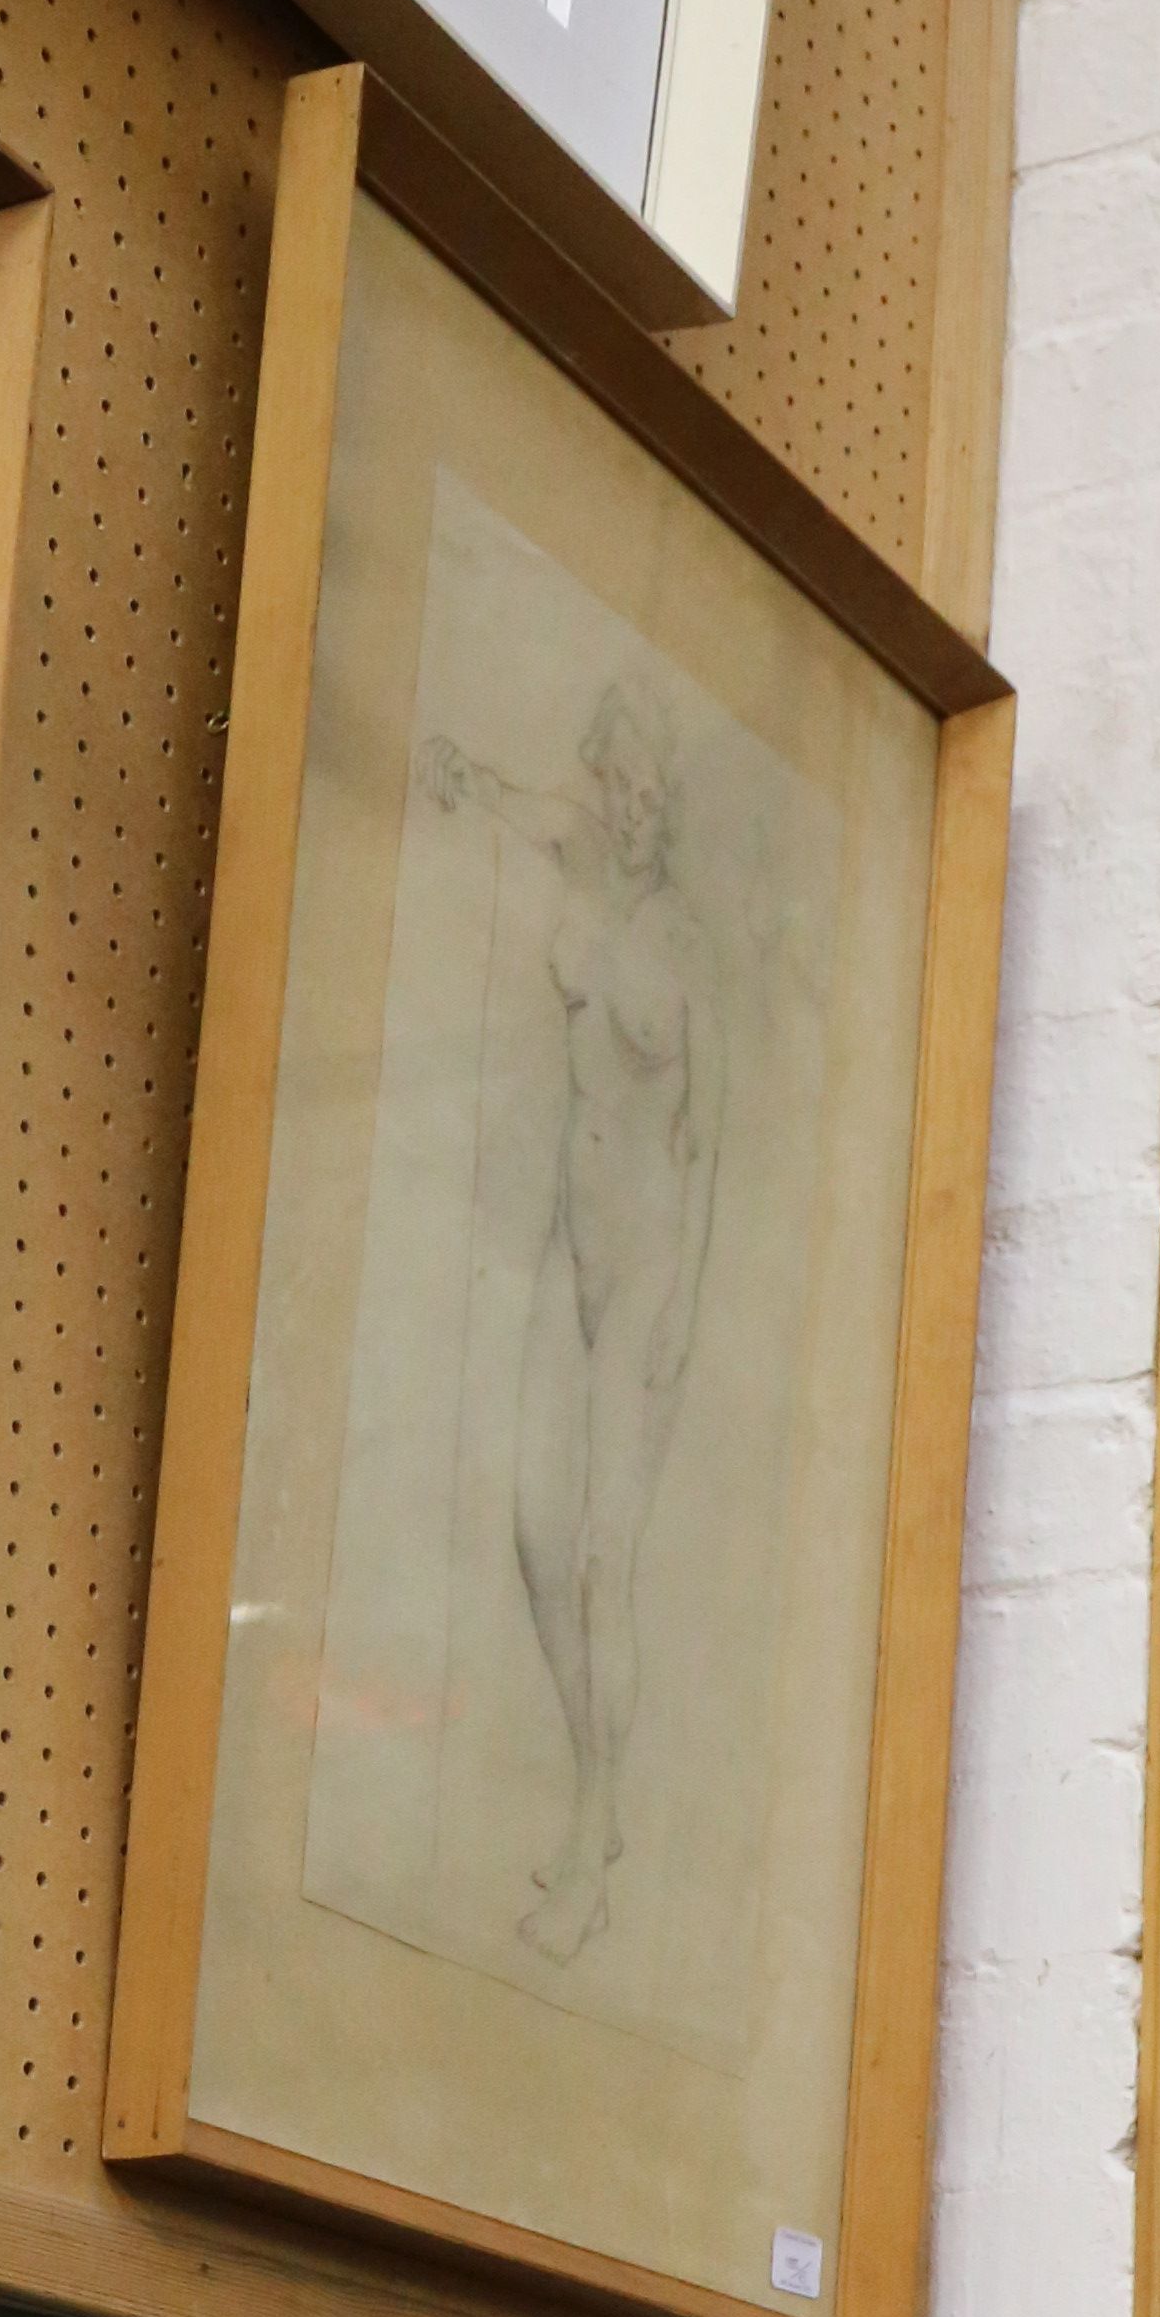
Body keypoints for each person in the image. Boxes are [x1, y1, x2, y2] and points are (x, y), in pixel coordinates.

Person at [416, 683, 725, 1965]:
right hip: (568, 1240)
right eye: (605, 779)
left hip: (649, 1259)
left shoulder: (685, 944)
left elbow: (709, 1144)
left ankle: (593, 1834)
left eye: (630, 785)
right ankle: (594, 1793)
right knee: (536, 1534)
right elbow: (516, 807)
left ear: (661, 798)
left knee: (605, 1555)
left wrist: (684, 1311)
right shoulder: (579, 853)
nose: (614, 802)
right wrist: (465, 772)